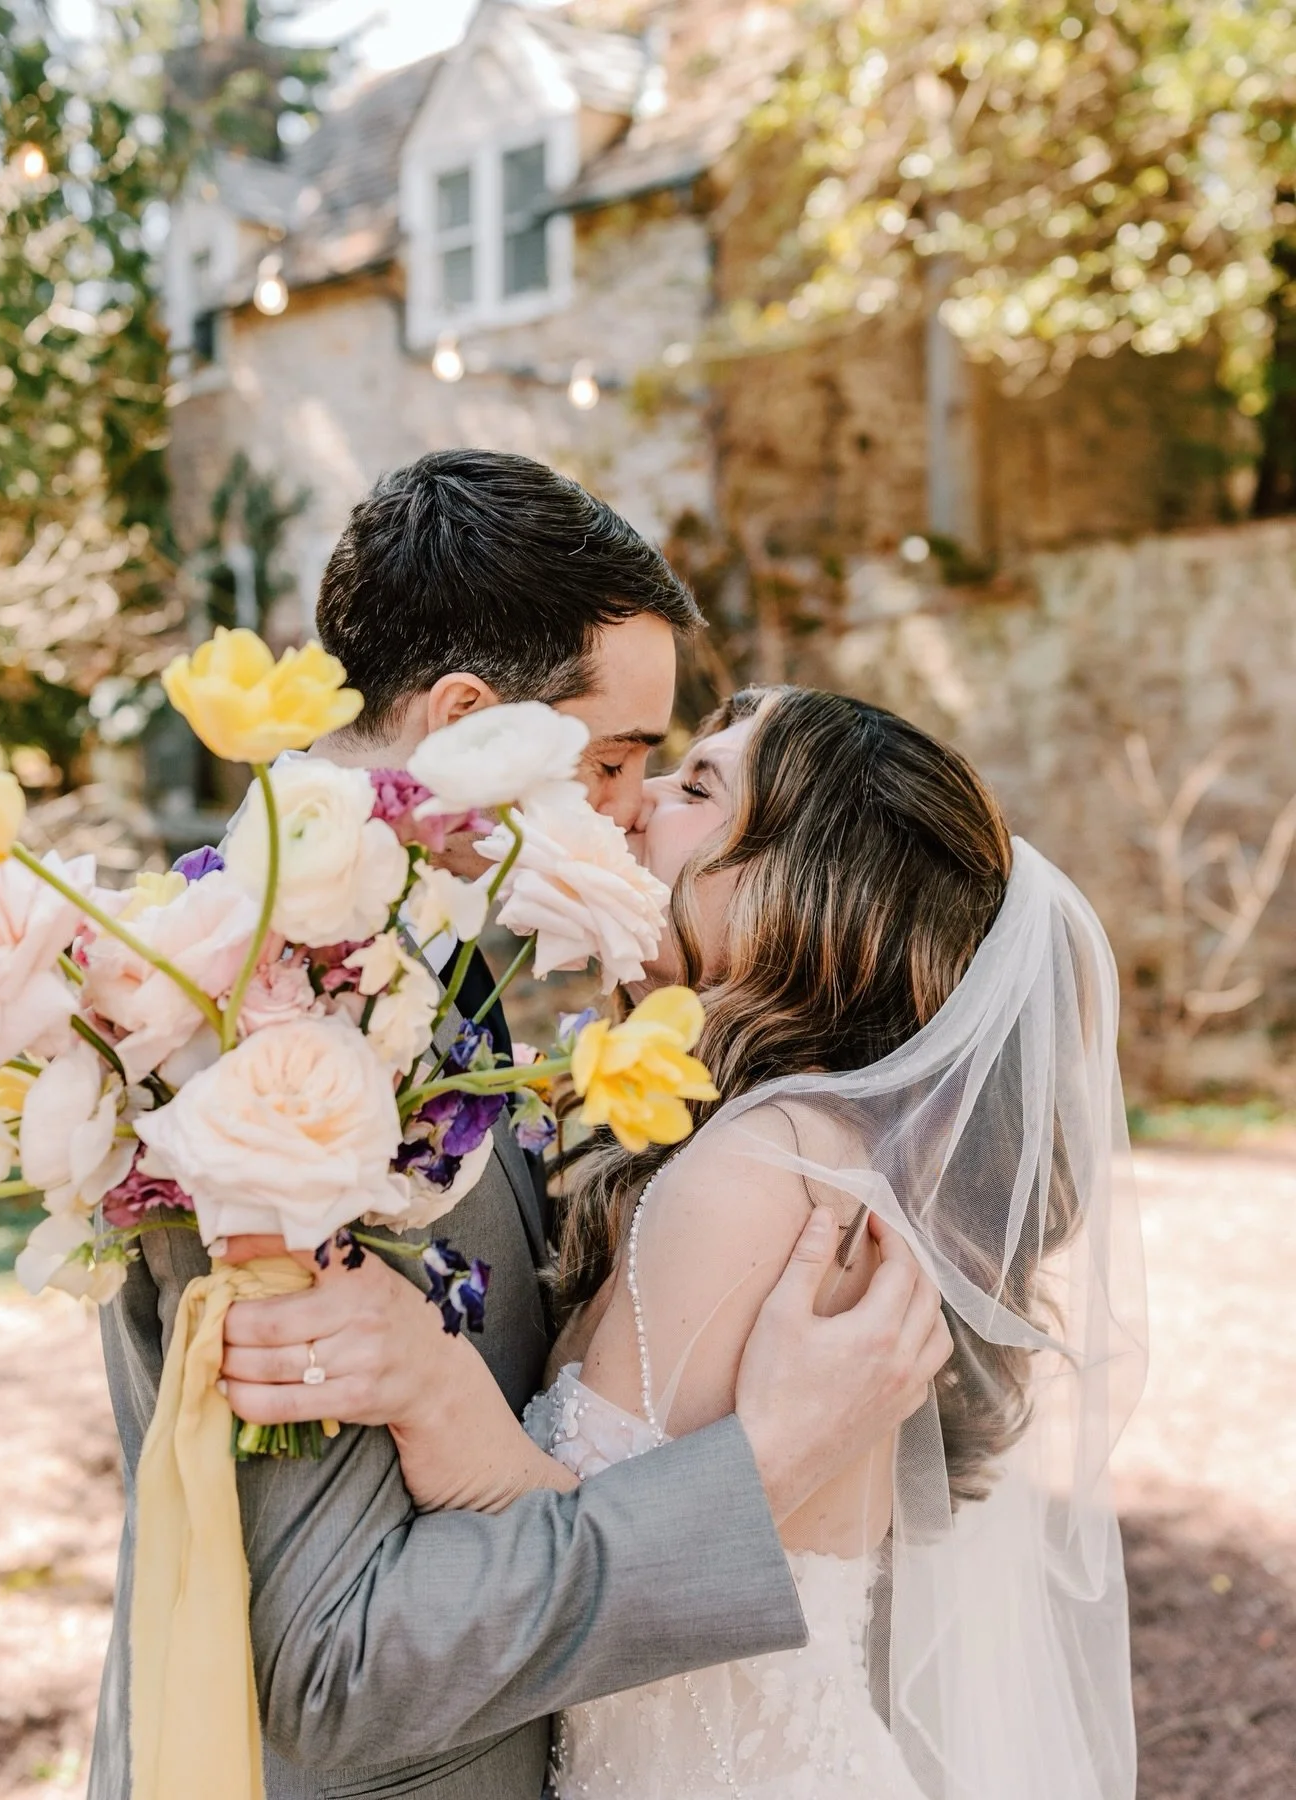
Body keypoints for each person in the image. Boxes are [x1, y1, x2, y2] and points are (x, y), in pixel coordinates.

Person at [89, 454, 952, 1800]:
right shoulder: (263, 1035)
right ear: (470, 724)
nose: (629, 811)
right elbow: (342, 1670)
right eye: (613, 761)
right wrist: (765, 1466)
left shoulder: (442, 980)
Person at [225, 687, 1148, 1800]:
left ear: (800, 892)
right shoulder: (820, 1149)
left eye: (698, 786)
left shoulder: (761, 1166)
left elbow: (615, 1610)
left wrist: (433, 1390)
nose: (635, 799)